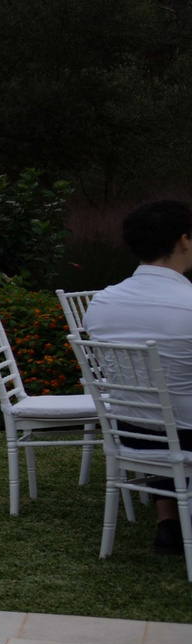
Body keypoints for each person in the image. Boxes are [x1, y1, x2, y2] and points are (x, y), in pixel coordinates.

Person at [82, 198, 192, 555]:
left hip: (129, 432)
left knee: (160, 403)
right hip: (183, 437)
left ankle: (168, 522)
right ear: (184, 241)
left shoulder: (102, 304)